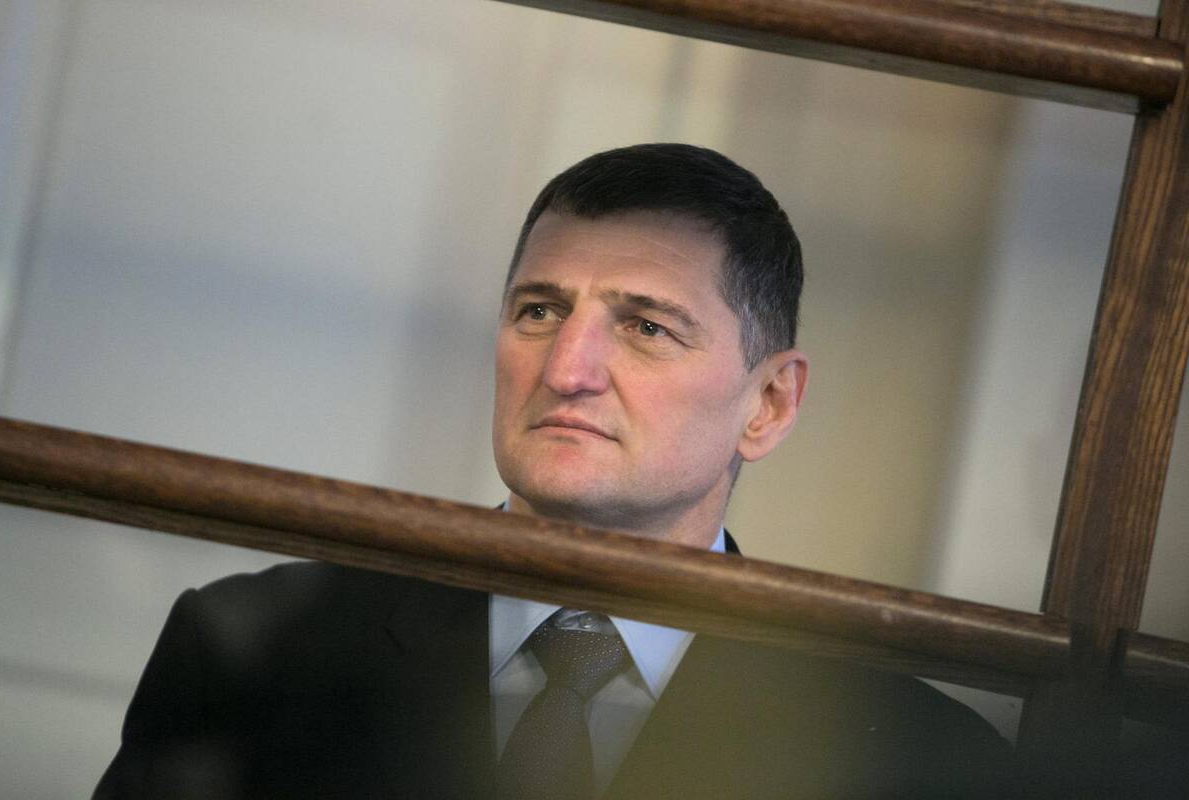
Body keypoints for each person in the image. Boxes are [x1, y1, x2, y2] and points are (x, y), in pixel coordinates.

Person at [94, 144, 1008, 798]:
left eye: (646, 327)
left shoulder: (918, 760)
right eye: (538, 311)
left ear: (768, 404)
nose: (567, 369)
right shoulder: (249, 649)